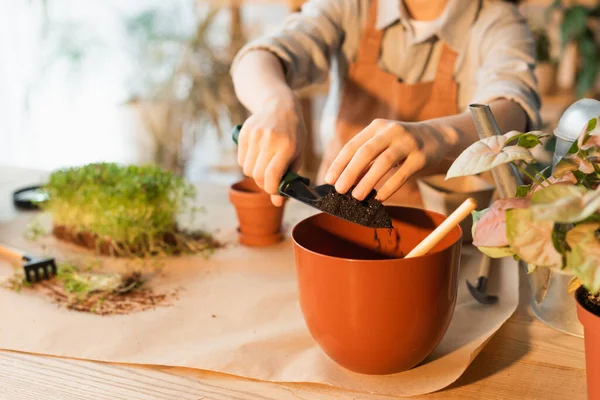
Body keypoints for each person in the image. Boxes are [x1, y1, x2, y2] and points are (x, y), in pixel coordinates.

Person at [230, 0, 540, 207]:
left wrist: (437, 136)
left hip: (447, 233)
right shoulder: (352, 6)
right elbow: (259, 57)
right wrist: (276, 104)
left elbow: (513, 109)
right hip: (338, 214)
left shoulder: (498, 22)